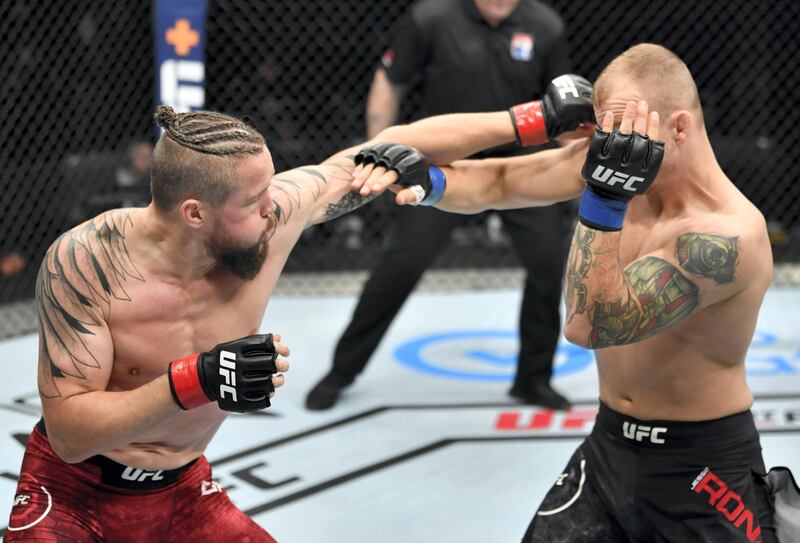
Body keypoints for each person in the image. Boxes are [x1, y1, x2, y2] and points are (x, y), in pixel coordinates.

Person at [6, 99, 588, 541]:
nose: (275, 207)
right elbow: (70, 434)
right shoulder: (87, 261)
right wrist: (195, 380)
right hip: (76, 495)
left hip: (184, 489)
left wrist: (533, 118)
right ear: (194, 213)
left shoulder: (272, 217)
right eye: (255, 201)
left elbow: (390, 145)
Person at [353, 43, 781, 541]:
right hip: (608, 447)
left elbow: (590, 324)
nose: (610, 145)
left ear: (679, 127)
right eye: (604, 131)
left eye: (622, 130)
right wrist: (523, 125)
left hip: (702, 465)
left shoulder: (727, 236)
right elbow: (470, 172)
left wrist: (605, 195)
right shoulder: (621, 172)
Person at [307, 0, 577, 412]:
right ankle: (342, 370)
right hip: (442, 166)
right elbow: (390, 80)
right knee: (401, 265)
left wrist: (579, 169)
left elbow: (564, 110)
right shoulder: (432, 17)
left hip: (522, 167)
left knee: (548, 264)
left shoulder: (546, 25)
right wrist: (379, 151)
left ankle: (533, 379)